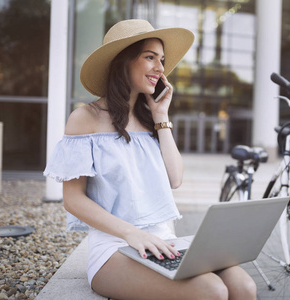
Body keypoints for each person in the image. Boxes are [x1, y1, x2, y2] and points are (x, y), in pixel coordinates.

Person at [44, 19, 257, 300]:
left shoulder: (151, 119)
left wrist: (161, 118)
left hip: (164, 241)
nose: (160, 68)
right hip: (114, 248)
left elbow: (175, 178)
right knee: (213, 290)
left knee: (245, 287)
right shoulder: (85, 119)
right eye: (149, 57)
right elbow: (73, 199)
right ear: (123, 62)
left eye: (162, 60)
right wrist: (132, 233)